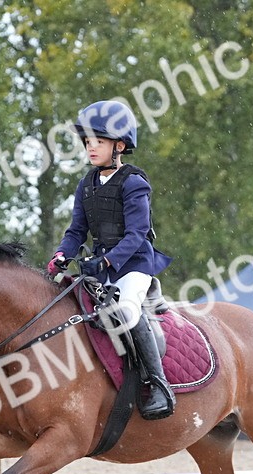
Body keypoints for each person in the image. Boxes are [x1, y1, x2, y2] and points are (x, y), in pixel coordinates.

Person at [45, 100, 175, 420]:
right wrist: (62, 253)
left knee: (126, 314)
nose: (91, 147)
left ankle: (159, 385)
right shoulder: (85, 185)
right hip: (100, 265)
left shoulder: (134, 182)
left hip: (134, 265)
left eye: (98, 141)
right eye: (88, 141)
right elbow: (76, 230)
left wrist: (106, 263)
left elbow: (136, 233)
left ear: (119, 145)